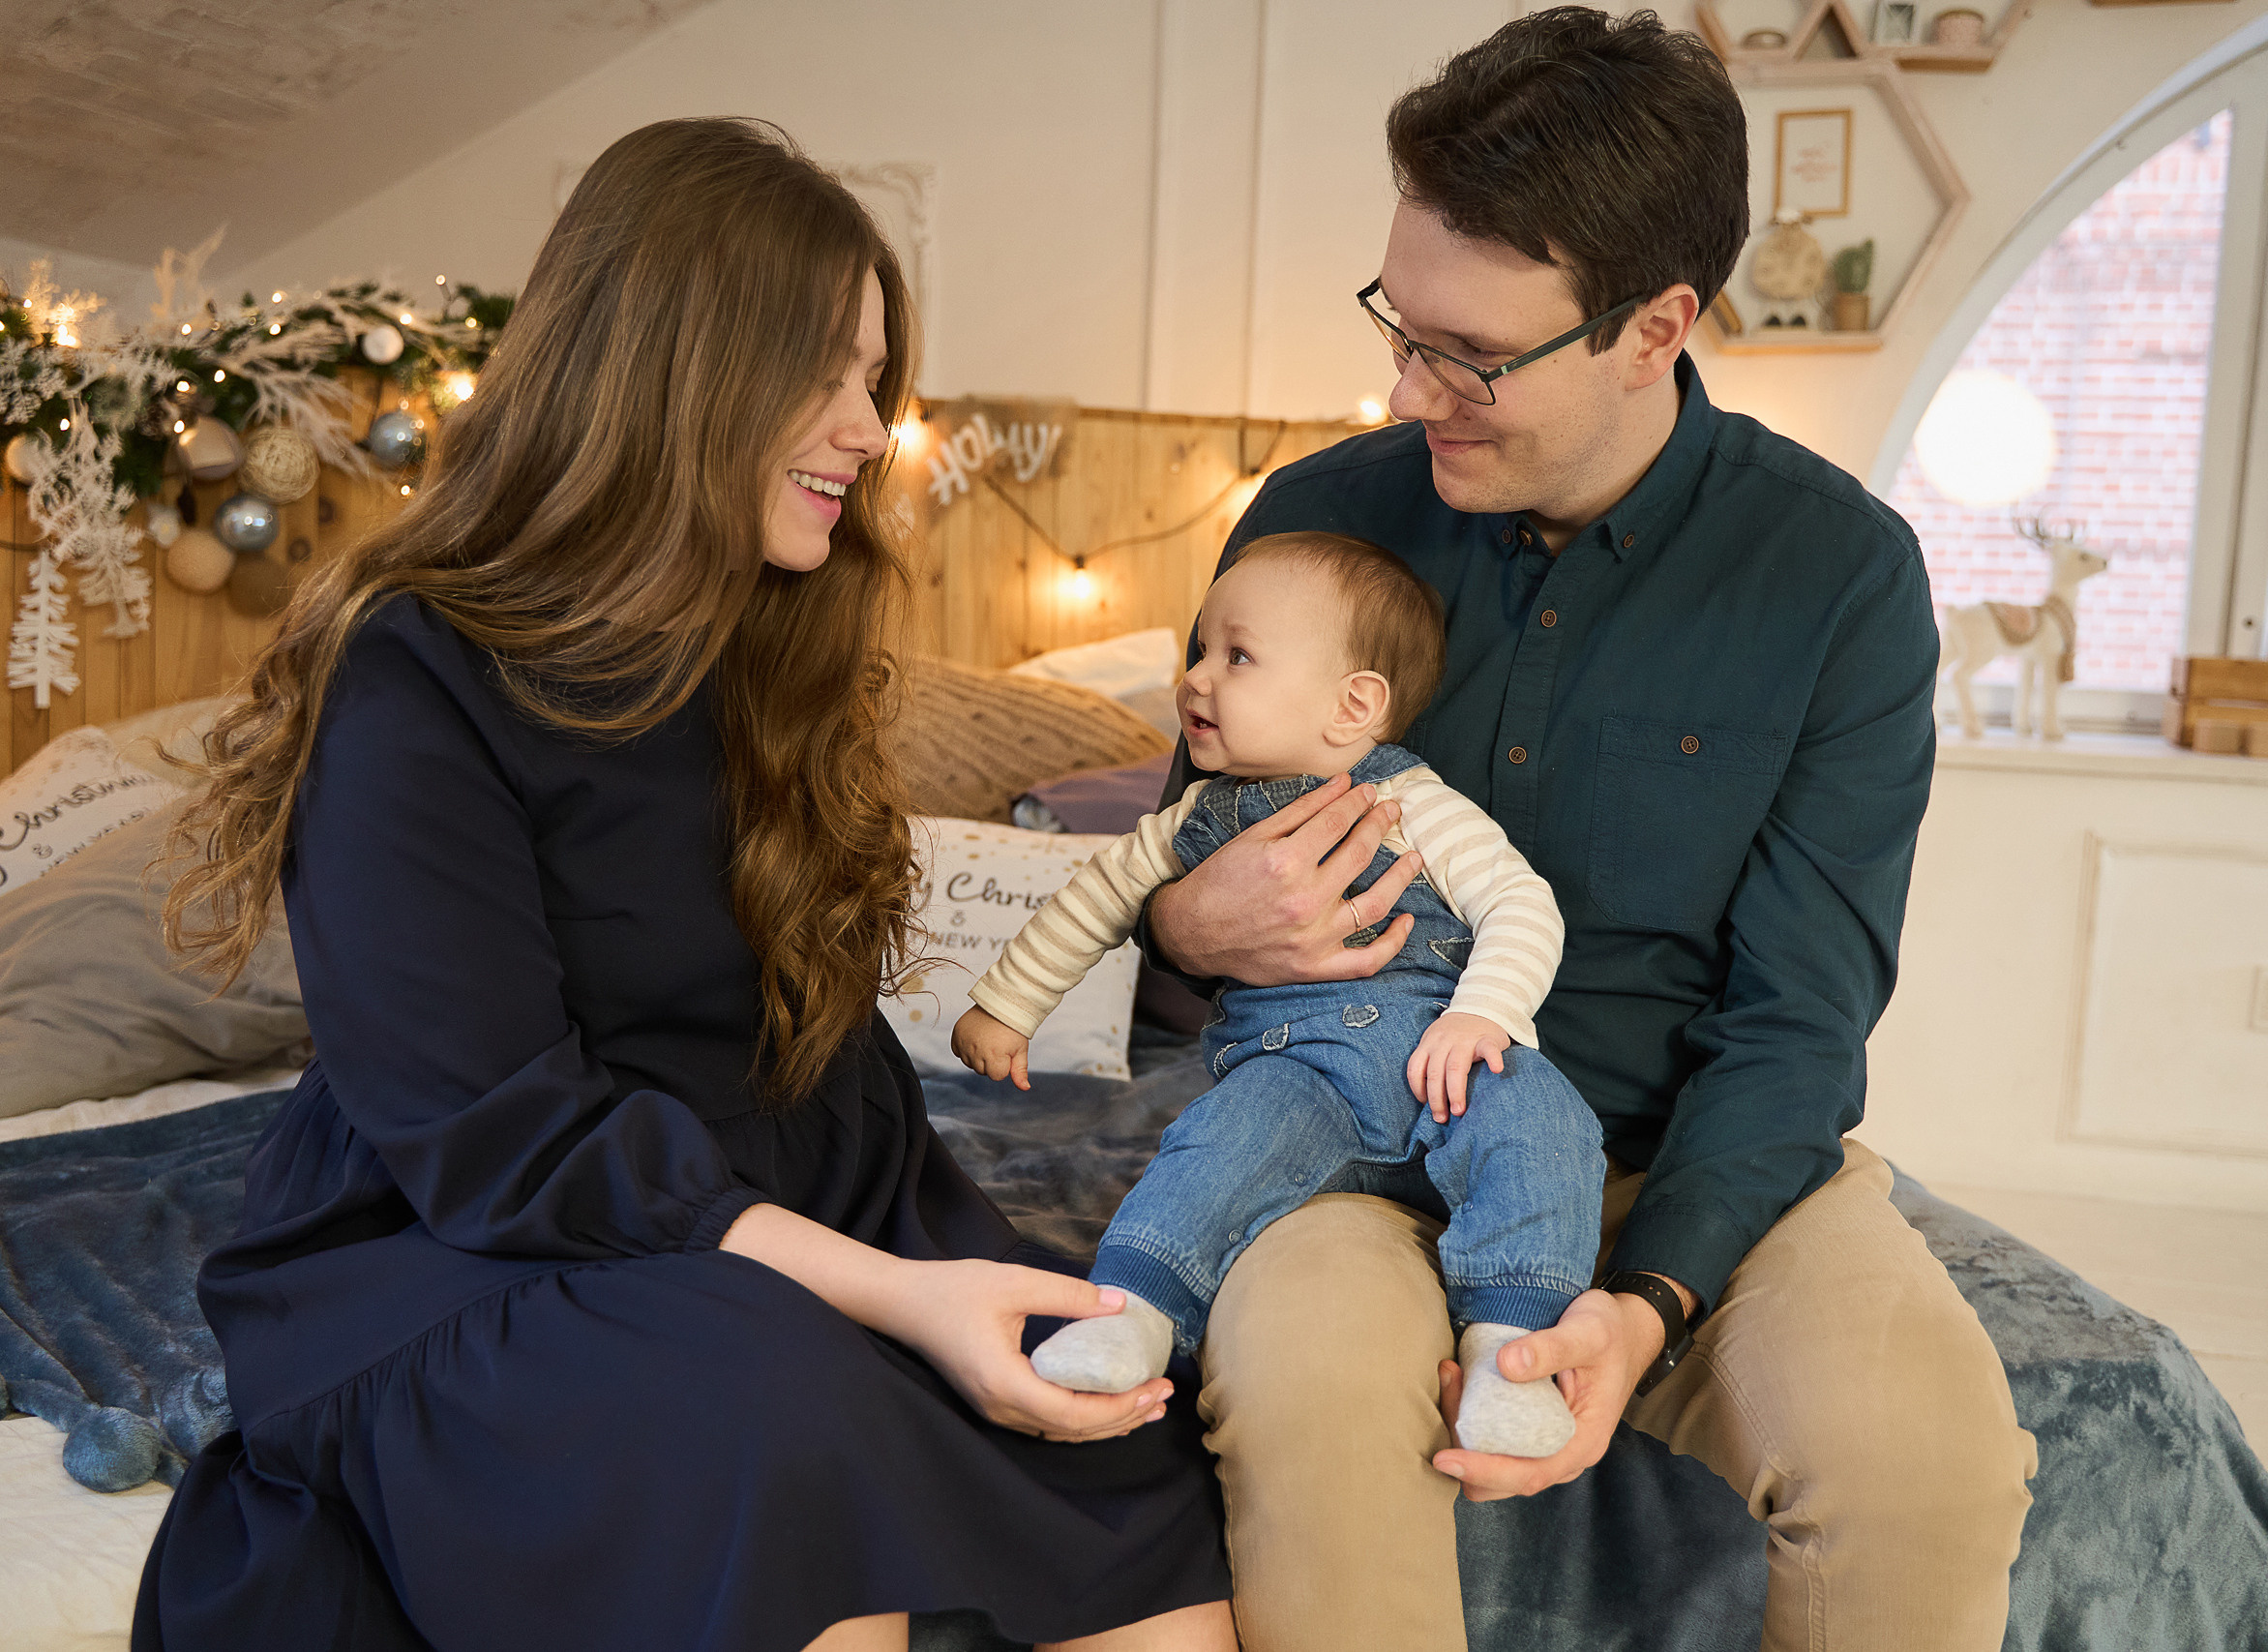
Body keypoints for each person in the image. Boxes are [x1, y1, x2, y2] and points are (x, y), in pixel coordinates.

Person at [134, 118, 1235, 1652]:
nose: (868, 430)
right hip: (461, 1247)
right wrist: (890, 1300)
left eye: (875, 381)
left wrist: (962, 1276)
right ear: (677, 372)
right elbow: (501, 1134)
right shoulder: (415, 669)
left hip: (756, 1229)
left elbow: (827, 1077)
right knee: (776, 1414)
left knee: (1135, 1425)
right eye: (827, 376)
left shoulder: (771, 657)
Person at [1141, 11, 2040, 1652]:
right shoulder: (1318, 518)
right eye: (1399, 326)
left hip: (1697, 1157)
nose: (1407, 390)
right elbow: (1170, 868)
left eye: (1469, 356)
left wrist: (1644, 1305)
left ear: (1656, 327)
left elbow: (1801, 1017)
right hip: (1356, 1137)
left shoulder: (1838, 577)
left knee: (1925, 1466)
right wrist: (1191, 927)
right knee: (1308, 1392)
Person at [952, 531, 1602, 1459]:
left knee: (1547, 1122)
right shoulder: (1194, 820)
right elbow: (1092, 898)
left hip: (1445, 1066)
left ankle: (1510, 1350)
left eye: (1238, 656)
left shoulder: (1416, 805)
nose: (1195, 678)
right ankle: (1129, 1313)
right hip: (1295, 1074)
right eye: (1199, 650)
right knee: (1213, 1146)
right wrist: (1007, 1006)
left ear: (1353, 705)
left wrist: (1482, 1014)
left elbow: (1520, 903)